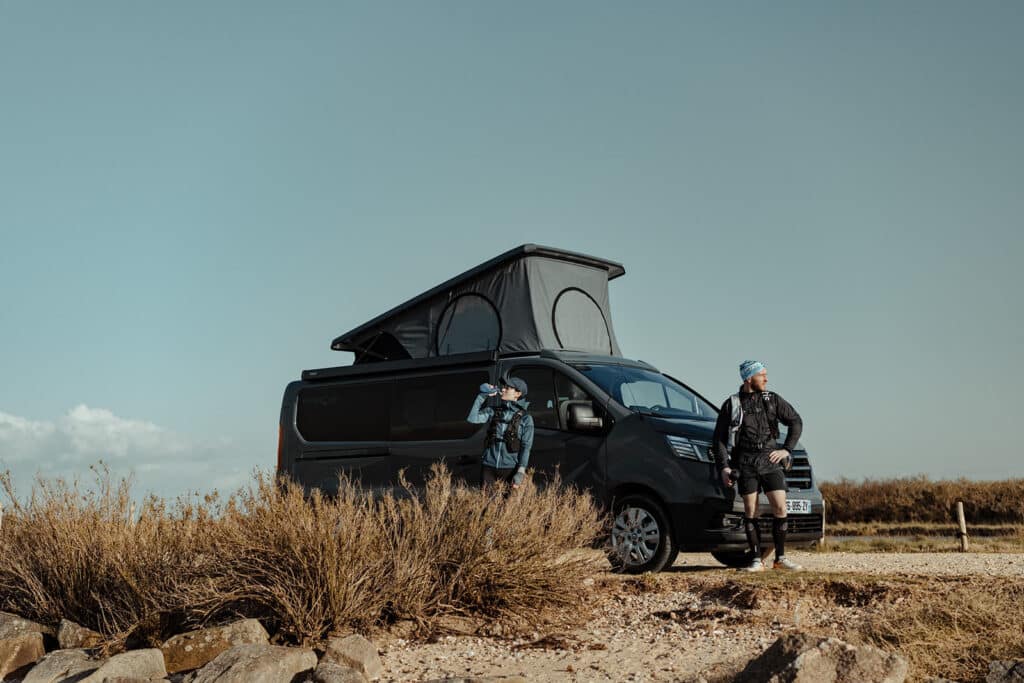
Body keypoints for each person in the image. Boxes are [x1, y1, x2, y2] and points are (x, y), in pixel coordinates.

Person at [713, 360, 804, 572]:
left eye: (765, 374)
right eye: (761, 375)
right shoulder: (732, 404)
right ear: (748, 378)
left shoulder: (772, 399)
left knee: (780, 508)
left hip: (770, 459)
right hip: (745, 462)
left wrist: (786, 450)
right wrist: (724, 467)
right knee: (750, 511)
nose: (766, 378)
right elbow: (717, 439)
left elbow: (796, 421)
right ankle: (756, 560)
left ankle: (780, 559)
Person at [466, 376, 535, 490]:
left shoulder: (526, 419)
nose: (503, 389)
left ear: (517, 393)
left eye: (508, 388)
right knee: (488, 506)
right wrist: (482, 396)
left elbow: (526, 447)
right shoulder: (493, 411)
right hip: (488, 467)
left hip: (510, 469)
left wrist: (521, 471)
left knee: (507, 507)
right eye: (504, 387)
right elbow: (472, 418)